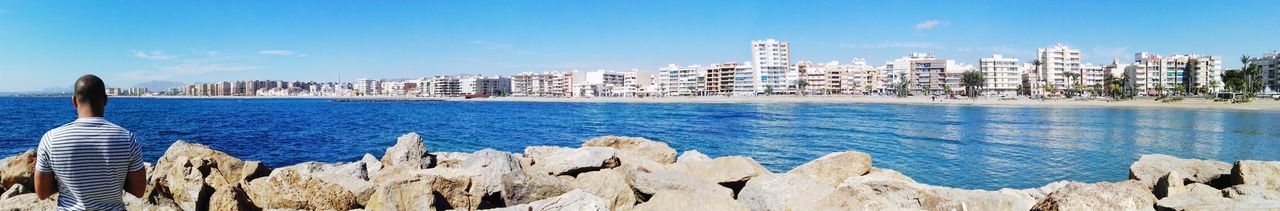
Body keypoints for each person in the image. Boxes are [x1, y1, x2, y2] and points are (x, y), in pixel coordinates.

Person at [33, 74, 146, 210]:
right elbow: (139, 191)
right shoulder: (128, 139)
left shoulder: (50, 139)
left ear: (74, 101)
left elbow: (42, 192)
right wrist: (115, 182)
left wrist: (67, 183)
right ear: (105, 100)